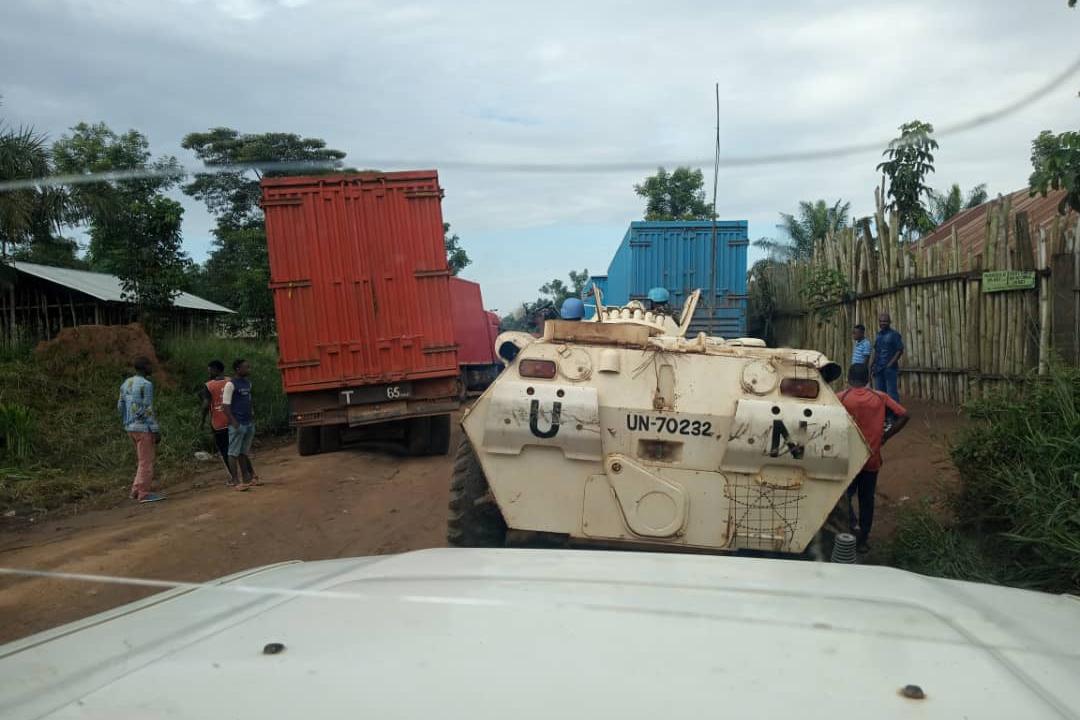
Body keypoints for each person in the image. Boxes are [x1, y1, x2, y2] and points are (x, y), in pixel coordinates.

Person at [837, 363, 909, 552]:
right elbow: (904, 415)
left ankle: (849, 529)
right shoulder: (880, 397)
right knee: (867, 500)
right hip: (871, 459)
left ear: (848, 379)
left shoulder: (841, 397)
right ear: (868, 378)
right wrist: (885, 436)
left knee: (843, 497)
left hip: (848, 460)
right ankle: (863, 540)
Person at [117, 356, 165, 503]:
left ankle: (135, 490)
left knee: (142, 461)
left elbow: (120, 406)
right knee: (146, 462)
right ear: (144, 367)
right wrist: (155, 429)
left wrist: (127, 422)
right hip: (144, 428)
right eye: (149, 366)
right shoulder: (146, 384)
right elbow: (148, 409)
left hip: (131, 427)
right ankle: (143, 494)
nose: (152, 368)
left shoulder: (126, 383)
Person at [222, 358, 259, 490]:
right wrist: (234, 422)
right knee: (233, 453)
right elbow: (225, 406)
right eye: (245, 367)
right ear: (238, 369)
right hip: (237, 423)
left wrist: (251, 416)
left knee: (243, 452)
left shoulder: (248, 383)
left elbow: (249, 400)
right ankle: (236, 481)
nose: (248, 369)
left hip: (248, 422)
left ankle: (246, 479)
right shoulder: (230, 384)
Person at [198, 359, 235, 486]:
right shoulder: (231, 381)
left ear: (216, 370)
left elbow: (206, 404)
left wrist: (202, 421)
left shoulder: (209, 385)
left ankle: (234, 477)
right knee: (237, 448)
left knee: (225, 450)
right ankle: (247, 474)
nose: (209, 373)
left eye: (210, 371)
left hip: (219, 423)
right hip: (234, 420)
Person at [871, 312, 904, 403]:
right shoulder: (878, 335)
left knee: (891, 393)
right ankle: (883, 411)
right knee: (879, 393)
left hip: (890, 369)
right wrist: (872, 365)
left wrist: (890, 364)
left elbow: (900, 350)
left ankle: (894, 411)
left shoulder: (894, 335)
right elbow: (876, 351)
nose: (883, 323)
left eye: (885, 321)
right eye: (881, 321)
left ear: (890, 322)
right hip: (878, 369)